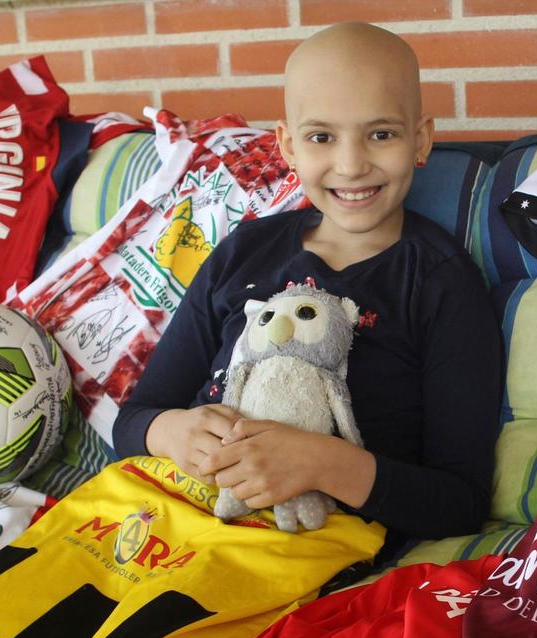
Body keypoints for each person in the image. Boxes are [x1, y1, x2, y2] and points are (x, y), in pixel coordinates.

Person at [112, 22, 502, 541]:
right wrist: (172, 432)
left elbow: (461, 502)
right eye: (321, 137)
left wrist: (325, 464)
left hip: (310, 548)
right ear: (288, 146)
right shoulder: (242, 252)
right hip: (171, 520)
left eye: (380, 134)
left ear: (420, 140)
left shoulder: (440, 283)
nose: (351, 164)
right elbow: (132, 420)